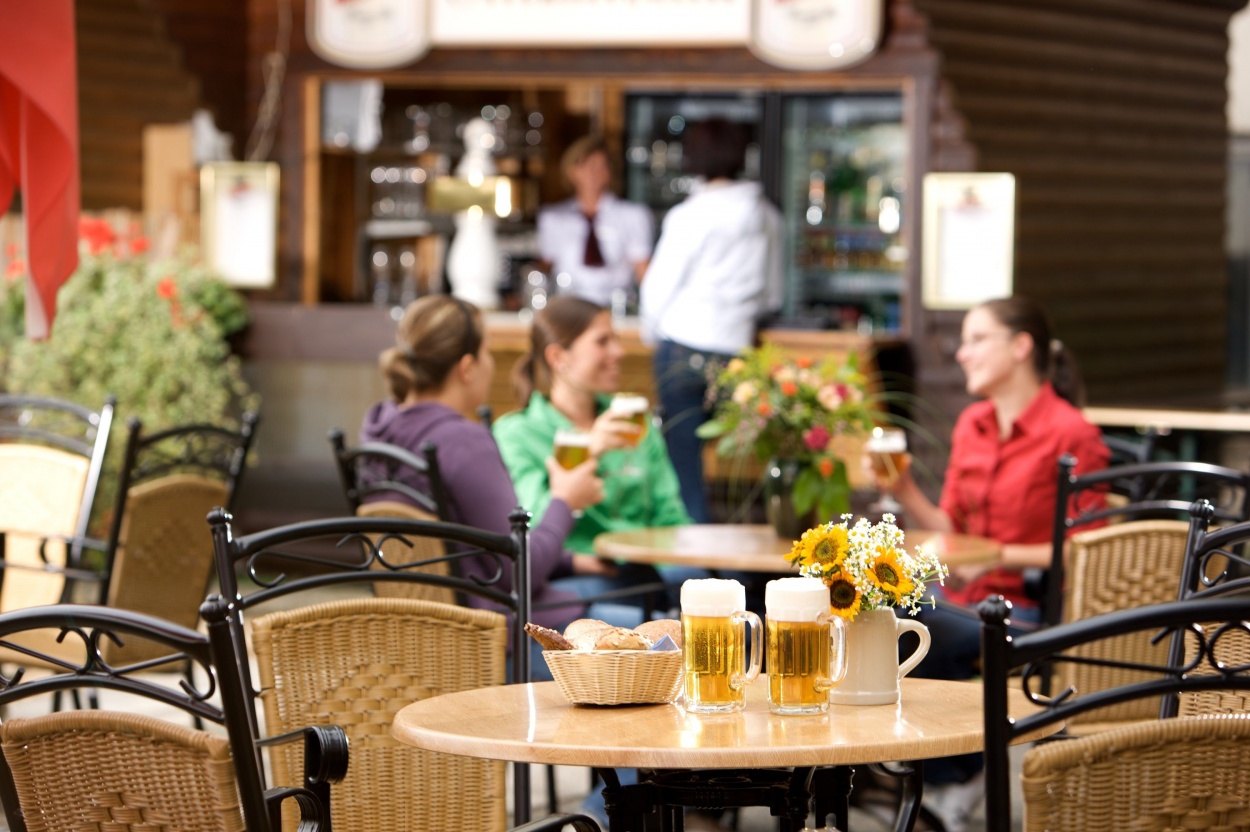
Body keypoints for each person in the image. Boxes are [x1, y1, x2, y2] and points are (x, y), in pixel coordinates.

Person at [872, 295, 1109, 832]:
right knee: (878, 610)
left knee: (918, 624)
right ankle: (932, 774)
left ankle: (956, 779)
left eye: (978, 339)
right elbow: (952, 527)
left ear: (1021, 347)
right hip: (966, 602)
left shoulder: (1071, 434)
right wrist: (903, 488)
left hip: (1028, 611)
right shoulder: (972, 424)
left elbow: (1085, 550)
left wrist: (993, 558)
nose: (962, 353)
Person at [358, 295, 644, 684]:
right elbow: (517, 570)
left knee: (640, 623)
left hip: (428, 639)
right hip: (499, 642)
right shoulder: (461, 441)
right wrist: (564, 499)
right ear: (467, 367)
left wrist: (571, 562)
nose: (492, 365)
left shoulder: (380, 432)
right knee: (660, 646)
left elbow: (466, 547)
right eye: (488, 352)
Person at [492, 295, 698, 594]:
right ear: (558, 357)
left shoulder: (633, 422)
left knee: (718, 598)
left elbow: (671, 517)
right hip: (573, 578)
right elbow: (531, 525)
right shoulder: (517, 433)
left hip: (648, 571)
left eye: (615, 339)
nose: (619, 351)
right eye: (602, 342)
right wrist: (590, 449)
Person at [640, 118, 783, 523]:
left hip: (682, 349)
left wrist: (655, 337)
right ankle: (738, 576)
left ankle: (689, 579)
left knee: (686, 479)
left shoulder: (690, 215)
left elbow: (655, 292)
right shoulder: (768, 217)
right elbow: (772, 295)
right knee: (737, 477)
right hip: (737, 355)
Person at [536, 135, 653, 309]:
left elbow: (644, 271)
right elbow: (544, 270)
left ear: (610, 172)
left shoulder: (633, 215)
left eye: (600, 166)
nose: (593, 173)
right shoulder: (553, 218)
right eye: (586, 165)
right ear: (571, 171)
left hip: (616, 306)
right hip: (567, 307)